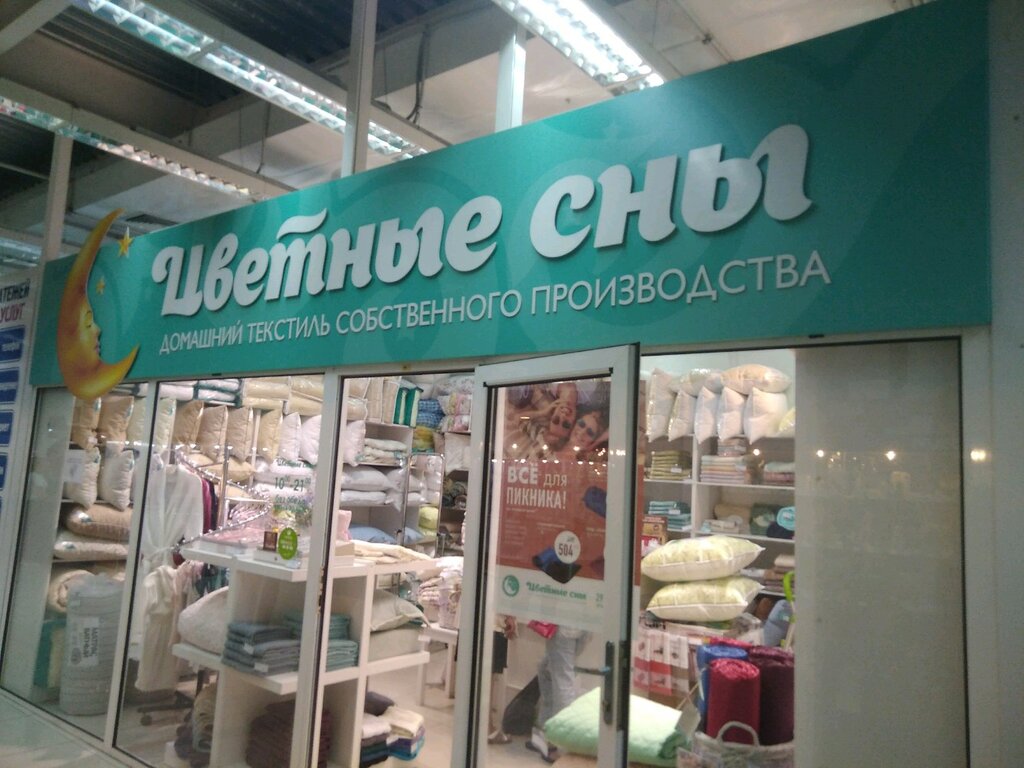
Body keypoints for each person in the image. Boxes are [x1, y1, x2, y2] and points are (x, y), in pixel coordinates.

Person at [528, 624, 590, 762]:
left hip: (564, 626)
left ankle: (559, 747)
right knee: (545, 669)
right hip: (580, 626)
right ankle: (544, 734)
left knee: (563, 683)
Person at [488, 614, 518, 744]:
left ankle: (483, 726)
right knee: (487, 680)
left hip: (471, 625)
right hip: (493, 627)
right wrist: (509, 616)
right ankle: (488, 728)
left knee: (478, 678)